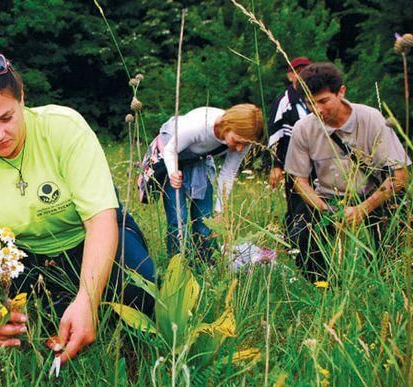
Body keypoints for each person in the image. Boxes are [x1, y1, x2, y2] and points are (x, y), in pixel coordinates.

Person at [0, 51, 155, 364]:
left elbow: (100, 220)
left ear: (22, 99)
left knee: (142, 288)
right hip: (23, 256)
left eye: (6, 118)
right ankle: (34, 316)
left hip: (85, 239)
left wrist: (87, 301)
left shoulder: (63, 127)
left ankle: (90, 311)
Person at [285, 62, 410, 281]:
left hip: (372, 196)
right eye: (310, 103)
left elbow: (399, 177)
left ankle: (381, 286)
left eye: (324, 101)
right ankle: (324, 289)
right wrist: (325, 209)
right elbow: (299, 180)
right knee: (301, 236)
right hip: (328, 199)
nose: (318, 110)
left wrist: (362, 209)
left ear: (341, 92)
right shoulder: (303, 128)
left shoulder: (372, 119)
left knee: (391, 247)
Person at [157, 104, 264, 259]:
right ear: (229, 125)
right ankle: (176, 264)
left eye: (245, 144)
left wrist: (221, 210)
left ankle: (206, 264)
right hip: (172, 155)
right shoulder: (200, 126)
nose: (240, 148)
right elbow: (170, 150)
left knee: (205, 219)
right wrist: (173, 173)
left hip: (200, 160)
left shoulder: (244, 139)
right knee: (178, 219)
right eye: (238, 141)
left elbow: (228, 173)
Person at [266, 57, 312, 231]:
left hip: (319, 160)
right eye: (297, 72)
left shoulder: (316, 96)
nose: (301, 76)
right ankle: (293, 241)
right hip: (293, 161)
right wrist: (276, 165)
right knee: (297, 203)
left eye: (305, 72)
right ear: (290, 75)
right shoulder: (284, 101)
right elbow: (275, 133)